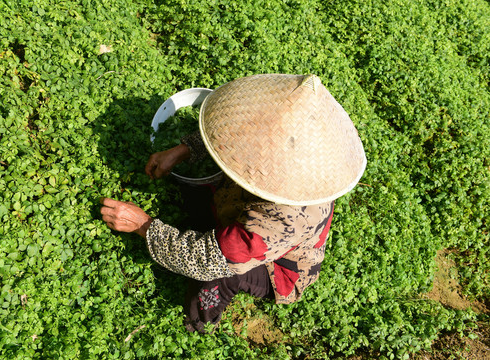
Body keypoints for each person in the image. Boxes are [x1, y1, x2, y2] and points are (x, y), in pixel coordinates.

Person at [100, 74, 366, 333]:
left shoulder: (280, 220)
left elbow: (204, 258)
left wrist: (143, 225)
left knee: (218, 276)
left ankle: (199, 323)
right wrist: (181, 151)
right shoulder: (287, 134)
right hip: (234, 204)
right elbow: (234, 133)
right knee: (191, 194)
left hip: (278, 266)